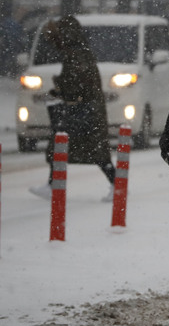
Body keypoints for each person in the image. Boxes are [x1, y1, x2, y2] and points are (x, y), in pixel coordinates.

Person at [29, 16, 115, 201]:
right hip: (86, 109)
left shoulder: (76, 54)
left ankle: (117, 186)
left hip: (84, 110)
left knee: (66, 147)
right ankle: (53, 185)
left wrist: (59, 89)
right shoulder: (78, 52)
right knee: (85, 151)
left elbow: (77, 82)